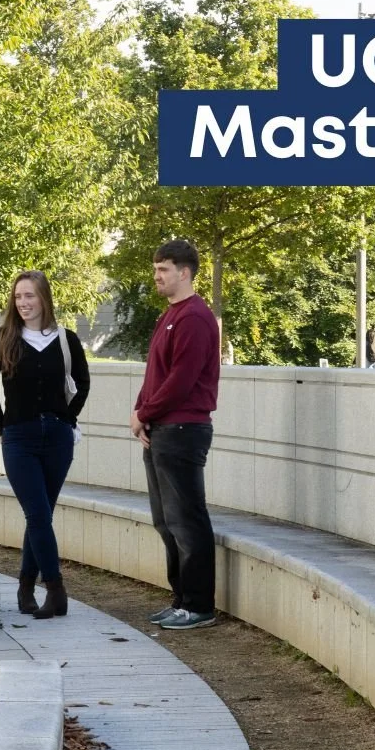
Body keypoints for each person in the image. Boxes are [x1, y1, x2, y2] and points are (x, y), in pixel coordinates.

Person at [0, 270, 90, 618]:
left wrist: (66, 418)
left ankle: (26, 587)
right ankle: (56, 590)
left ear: (44, 297)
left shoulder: (65, 338)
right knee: (38, 513)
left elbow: (83, 383)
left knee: (40, 514)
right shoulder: (3, 338)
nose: (23, 303)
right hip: (19, 438)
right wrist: (3, 425)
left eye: (30, 296)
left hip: (58, 439)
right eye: (18, 297)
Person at [131, 239, 221, 631]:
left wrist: (146, 413)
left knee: (187, 520)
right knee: (165, 521)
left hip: (183, 430)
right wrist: (141, 412)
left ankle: (199, 605)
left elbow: (181, 381)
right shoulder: (170, 315)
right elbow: (156, 374)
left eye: (163, 270)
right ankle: (181, 599)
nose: (156, 277)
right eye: (155, 270)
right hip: (162, 428)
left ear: (184, 272)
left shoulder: (195, 318)